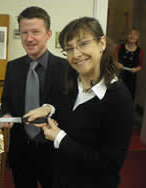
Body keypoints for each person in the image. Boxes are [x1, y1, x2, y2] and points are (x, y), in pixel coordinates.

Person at [25, 17, 134, 188]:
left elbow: (109, 165)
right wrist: (48, 109)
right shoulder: (69, 79)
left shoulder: (119, 100)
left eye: (83, 44)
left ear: (102, 43)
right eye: (69, 49)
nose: (75, 54)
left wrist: (60, 138)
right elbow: (61, 103)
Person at [0, 6, 67, 188]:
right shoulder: (13, 67)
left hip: (54, 152)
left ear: (48, 34)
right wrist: (5, 114)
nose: (29, 38)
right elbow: (6, 100)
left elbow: (68, 106)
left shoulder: (66, 68)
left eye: (36, 32)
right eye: (24, 33)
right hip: (21, 150)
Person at [116, 28, 144, 100]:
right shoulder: (119, 47)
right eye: (130, 34)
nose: (132, 36)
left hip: (131, 80)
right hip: (118, 77)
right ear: (127, 36)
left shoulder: (140, 51)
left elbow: (140, 66)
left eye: (135, 35)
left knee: (128, 98)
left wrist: (136, 69)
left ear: (138, 38)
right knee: (116, 97)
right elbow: (113, 60)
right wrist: (117, 64)